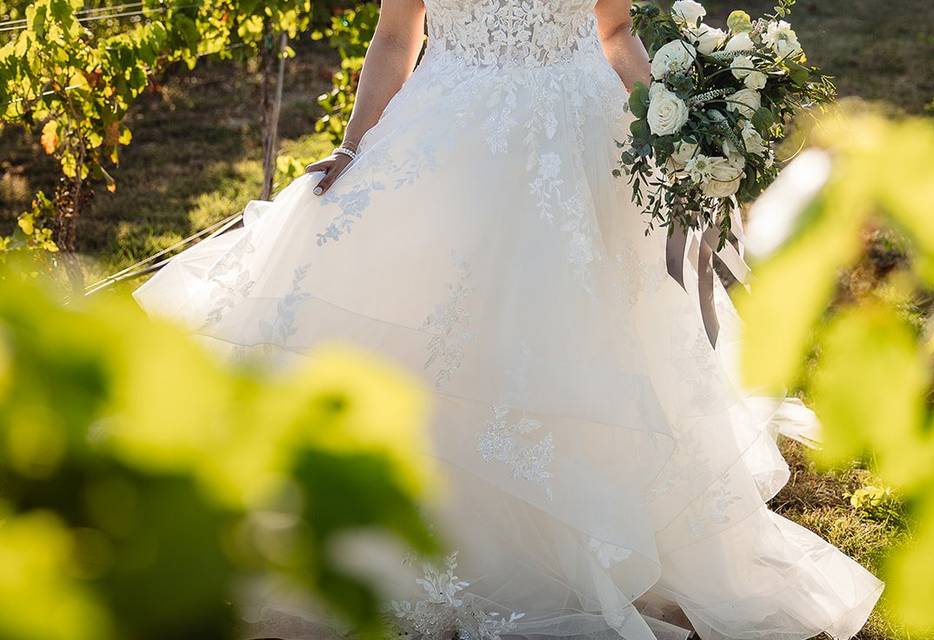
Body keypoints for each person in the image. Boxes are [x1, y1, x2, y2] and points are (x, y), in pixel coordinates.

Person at [134, 1, 883, 638]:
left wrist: (679, 123)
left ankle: (584, 532)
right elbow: (397, 39)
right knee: (447, 325)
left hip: (586, 144)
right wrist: (353, 145)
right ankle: (444, 530)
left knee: (587, 336)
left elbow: (616, 31)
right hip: (455, 136)